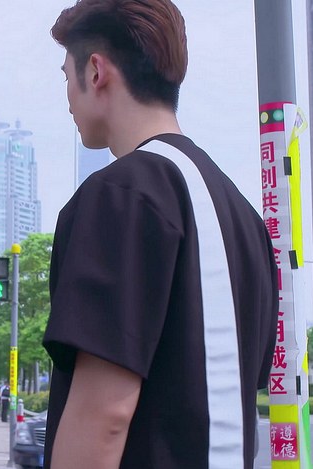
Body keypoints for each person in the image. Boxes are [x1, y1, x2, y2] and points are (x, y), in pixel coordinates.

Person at [41, 1, 279, 468]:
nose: (66, 96)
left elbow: (104, 415)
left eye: (66, 75)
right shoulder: (244, 217)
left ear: (96, 72)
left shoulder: (119, 195)